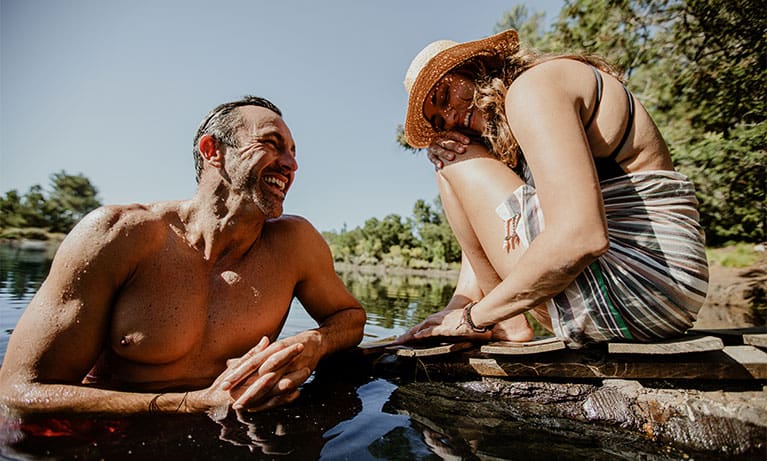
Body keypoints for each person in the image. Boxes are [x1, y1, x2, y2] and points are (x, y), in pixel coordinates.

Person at [0, 96, 366, 415]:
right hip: (111, 435)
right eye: (272, 144)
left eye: (293, 152)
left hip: (225, 432)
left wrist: (314, 343)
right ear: (213, 151)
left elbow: (349, 317)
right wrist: (192, 403)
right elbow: (18, 393)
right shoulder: (116, 235)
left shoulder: (296, 242)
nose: (291, 164)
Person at [398, 30, 708, 347]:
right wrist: (455, 310)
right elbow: (483, 225)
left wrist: (474, 318)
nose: (449, 118)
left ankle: (501, 319)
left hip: (643, 285)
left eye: (443, 96)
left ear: (474, 66)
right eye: (438, 120)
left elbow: (581, 236)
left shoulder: (533, 89)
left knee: (453, 157)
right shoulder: (524, 115)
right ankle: (498, 317)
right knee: (447, 154)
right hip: (663, 296)